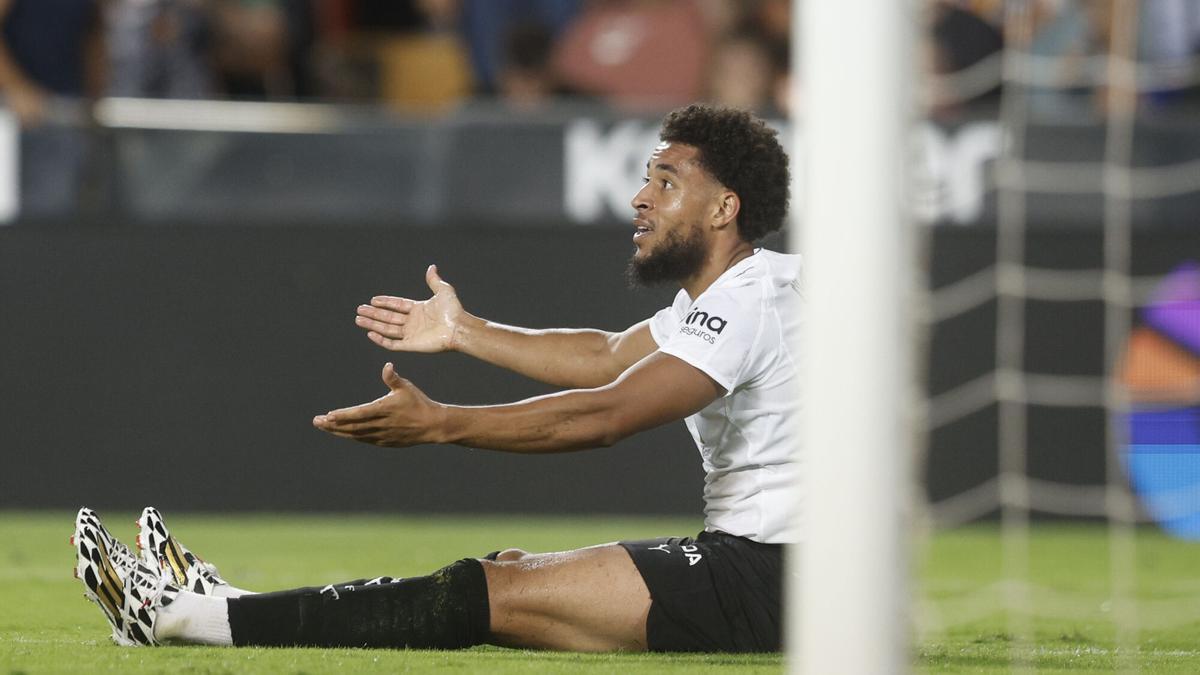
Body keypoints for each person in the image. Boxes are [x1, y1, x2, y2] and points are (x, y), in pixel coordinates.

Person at [73, 103, 800, 653]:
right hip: (765, 567)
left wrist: (443, 422)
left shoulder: (749, 302)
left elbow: (605, 414)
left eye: (666, 182)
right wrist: (463, 331)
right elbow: (609, 355)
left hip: (770, 575)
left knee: (486, 591)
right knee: (509, 572)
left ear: (724, 208)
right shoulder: (732, 297)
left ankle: (181, 617)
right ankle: (227, 604)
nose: (641, 197)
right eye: (646, 178)